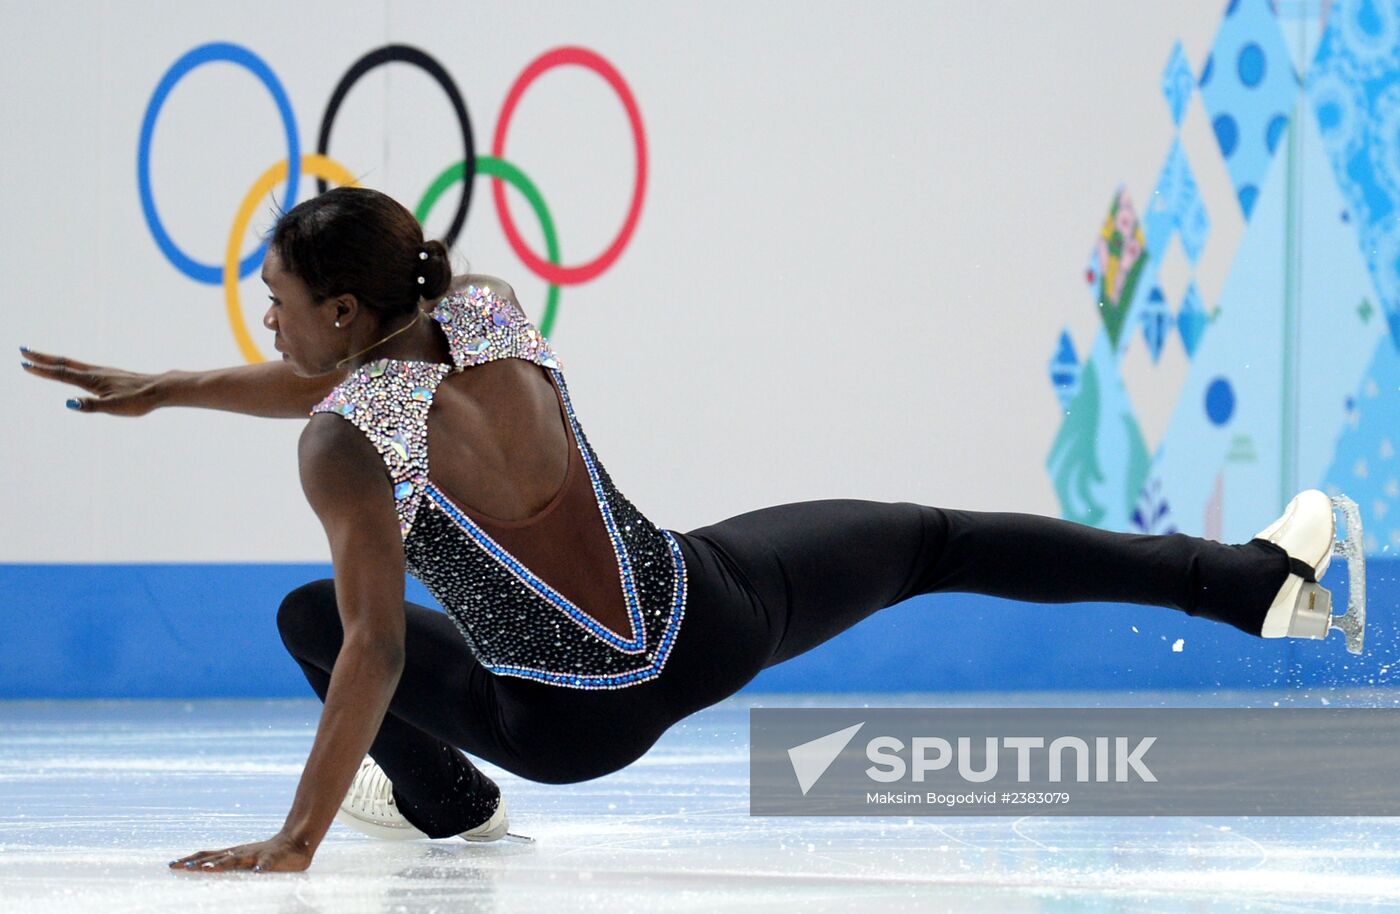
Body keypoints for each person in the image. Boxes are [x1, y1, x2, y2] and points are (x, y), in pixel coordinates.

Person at [20, 186, 1354, 874]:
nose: (263, 316)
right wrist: (179, 385)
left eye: (280, 299)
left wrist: (294, 837)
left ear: (347, 319)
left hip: (573, 725)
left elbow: (371, 648)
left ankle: (449, 804)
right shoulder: (485, 308)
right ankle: (1256, 585)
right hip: (710, 617)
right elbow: (368, 374)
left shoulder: (343, 441)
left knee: (311, 619)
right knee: (936, 538)